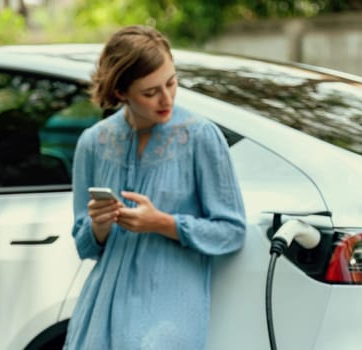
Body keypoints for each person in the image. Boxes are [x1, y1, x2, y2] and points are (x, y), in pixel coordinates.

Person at [64, 25, 246, 349]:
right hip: (100, 313)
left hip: (169, 313)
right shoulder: (92, 143)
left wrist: (162, 223)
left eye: (171, 83)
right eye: (150, 92)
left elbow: (231, 231)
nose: (166, 99)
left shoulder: (201, 137)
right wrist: (99, 225)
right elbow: (84, 246)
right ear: (121, 93)